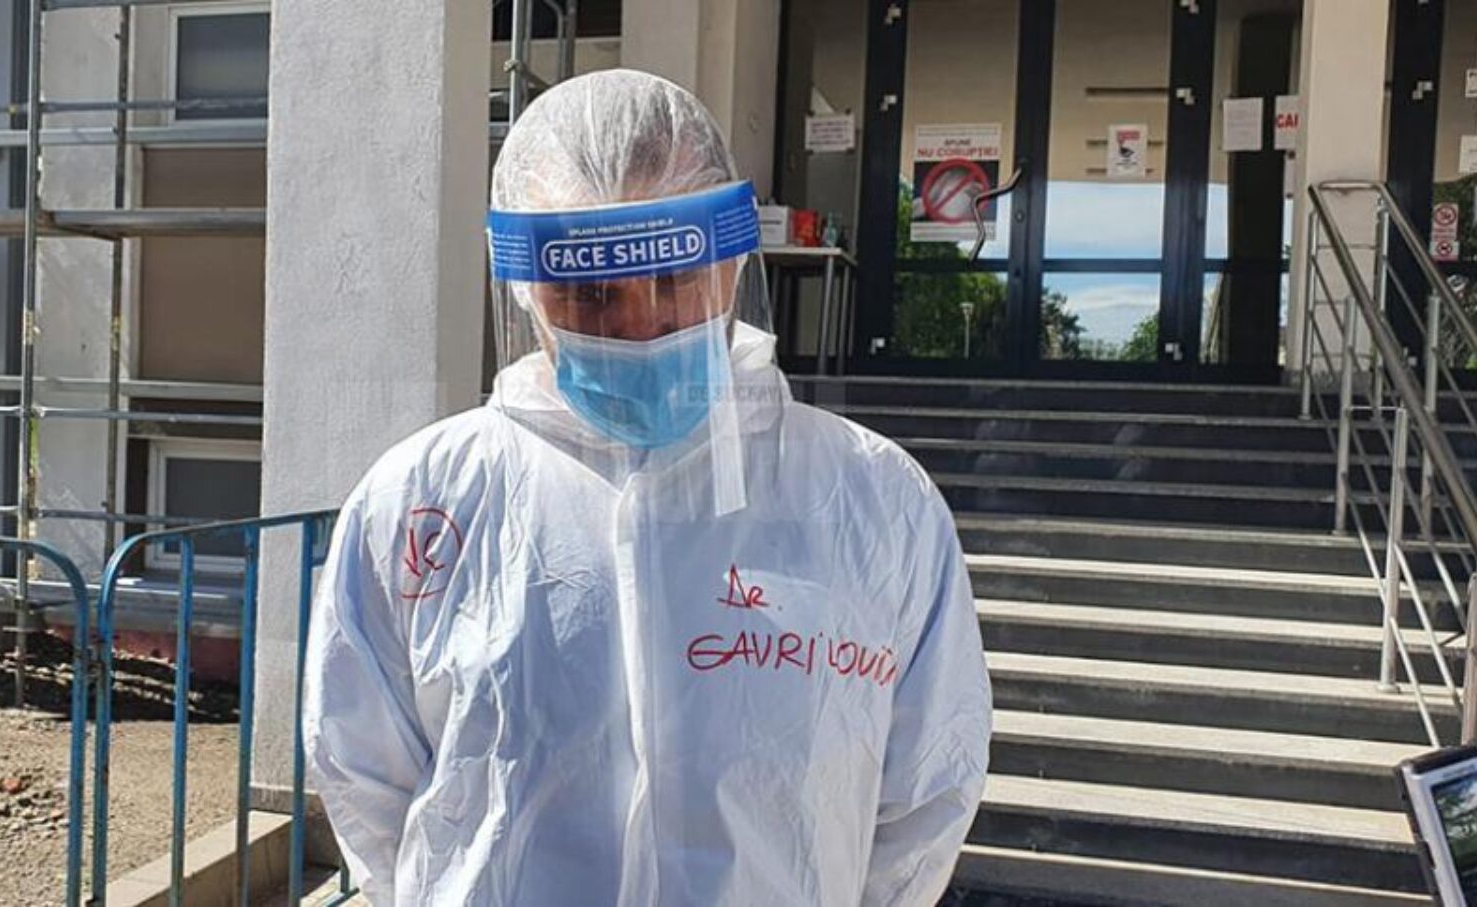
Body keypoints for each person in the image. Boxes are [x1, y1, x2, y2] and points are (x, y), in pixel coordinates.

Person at [303, 69, 990, 906]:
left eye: (674, 279)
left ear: (732, 264)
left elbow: (925, 792)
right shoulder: (421, 502)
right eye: (588, 291)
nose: (637, 323)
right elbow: (366, 775)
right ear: (525, 290)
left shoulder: (874, 501)